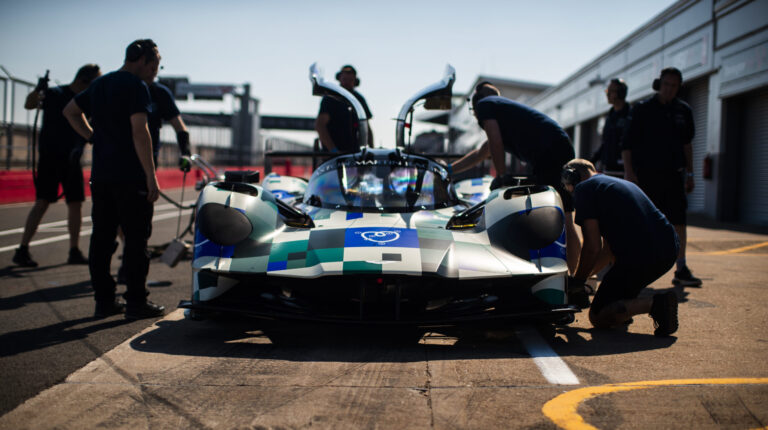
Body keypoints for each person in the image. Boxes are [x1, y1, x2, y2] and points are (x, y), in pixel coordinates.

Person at [63, 39, 165, 320]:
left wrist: (92, 137)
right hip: (131, 176)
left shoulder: (100, 84)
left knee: (102, 239)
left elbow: (70, 111)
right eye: (154, 65)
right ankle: (136, 302)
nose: (155, 72)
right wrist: (151, 176)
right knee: (136, 241)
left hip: (102, 175)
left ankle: (104, 301)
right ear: (142, 60)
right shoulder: (136, 86)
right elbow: (140, 132)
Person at [449, 82, 581, 273]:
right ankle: (575, 276)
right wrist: (449, 169)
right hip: (558, 147)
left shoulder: (484, 104)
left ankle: (569, 276)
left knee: (559, 217)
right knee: (565, 213)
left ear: (476, 105)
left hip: (549, 153)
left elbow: (495, 141)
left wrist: (501, 175)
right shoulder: (504, 113)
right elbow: (482, 153)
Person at [563, 159, 679, 337]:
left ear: (571, 176)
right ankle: (625, 309)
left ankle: (656, 304)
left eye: (567, 184)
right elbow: (607, 251)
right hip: (668, 249)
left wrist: (577, 282)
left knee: (598, 316)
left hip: (641, 256)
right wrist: (583, 277)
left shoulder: (584, 189)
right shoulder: (615, 184)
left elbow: (592, 247)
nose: (569, 190)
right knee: (617, 294)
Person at [12, 64, 101, 267]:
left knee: (76, 203)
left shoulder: (87, 100)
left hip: (73, 159)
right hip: (50, 158)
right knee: (42, 202)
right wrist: (38, 90)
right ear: (83, 80)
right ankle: (23, 249)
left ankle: (74, 250)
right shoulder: (55, 94)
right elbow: (29, 104)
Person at [622, 67, 701, 287]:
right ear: (659, 84)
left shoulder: (683, 110)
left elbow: (687, 145)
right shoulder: (642, 109)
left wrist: (690, 173)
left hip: (674, 176)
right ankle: (637, 267)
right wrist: (629, 172)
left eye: (674, 86)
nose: (669, 89)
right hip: (646, 176)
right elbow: (627, 144)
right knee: (643, 222)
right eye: (666, 84)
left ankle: (681, 268)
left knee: (679, 222)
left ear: (679, 87)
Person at [315, 65, 373, 152]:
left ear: (355, 81)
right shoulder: (330, 98)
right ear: (339, 79)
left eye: (350, 80)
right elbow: (320, 125)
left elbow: (366, 128)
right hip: (333, 155)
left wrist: (371, 150)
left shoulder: (359, 99)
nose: (347, 83)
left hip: (355, 154)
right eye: (345, 79)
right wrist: (333, 150)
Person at [591, 78, 629, 174]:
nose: (607, 94)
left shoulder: (631, 115)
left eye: (611, 91)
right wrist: (591, 162)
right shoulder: (610, 116)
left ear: (621, 93)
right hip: (608, 168)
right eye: (607, 91)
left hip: (624, 171)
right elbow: (605, 143)